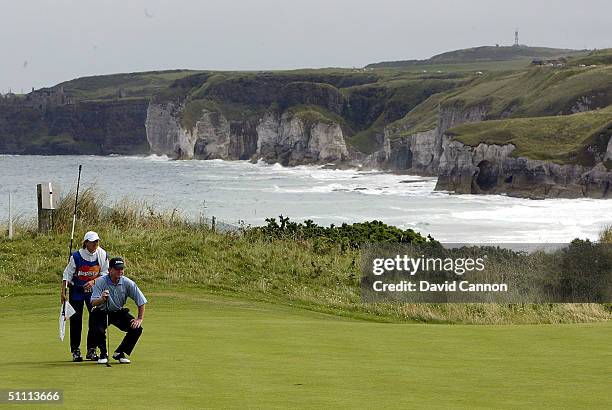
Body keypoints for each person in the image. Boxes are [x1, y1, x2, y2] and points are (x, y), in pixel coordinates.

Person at [61, 231, 108, 362]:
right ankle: (75, 350)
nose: (95, 244)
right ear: (86, 242)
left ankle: (91, 350)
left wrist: (93, 282)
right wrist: (63, 292)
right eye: (92, 242)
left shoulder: (102, 254)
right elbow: (67, 274)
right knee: (76, 321)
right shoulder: (76, 256)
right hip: (77, 291)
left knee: (95, 320)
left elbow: (104, 273)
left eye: (97, 242)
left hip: (94, 292)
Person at [90, 257, 147, 364]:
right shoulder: (101, 282)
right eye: (117, 269)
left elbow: (141, 301)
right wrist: (101, 299)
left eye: (121, 269)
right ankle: (103, 353)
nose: (120, 271)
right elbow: (93, 302)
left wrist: (139, 318)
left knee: (137, 329)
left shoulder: (127, 283)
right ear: (109, 270)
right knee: (98, 330)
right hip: (101, 312)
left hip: (118, 312)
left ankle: (120, 352)